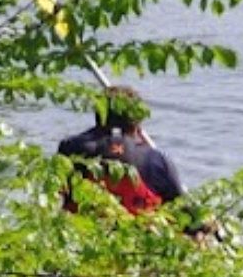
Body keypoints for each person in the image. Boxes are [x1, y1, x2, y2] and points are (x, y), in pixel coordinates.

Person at [55, 86, 186, 215]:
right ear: (138, 122)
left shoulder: (69, 148)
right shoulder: (157, 161)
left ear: (99, 115)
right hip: (137, 233)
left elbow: (58, 193)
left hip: (83, 233)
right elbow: (183, 211)